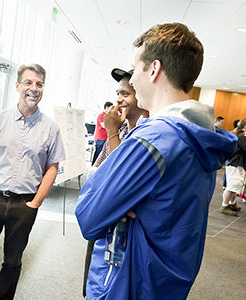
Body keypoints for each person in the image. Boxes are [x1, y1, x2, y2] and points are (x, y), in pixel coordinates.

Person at [75, 23, 237, 300]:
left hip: (126, 284)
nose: (133, 79)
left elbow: (88, 215)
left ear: (154, 69)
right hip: (165, 280)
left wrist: (114, 200)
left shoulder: (154, 139)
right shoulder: (202, 135)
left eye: (136, 68)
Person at [0, 64, 65, 300]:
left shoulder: (51, 129)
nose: (33, 88)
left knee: (13, 263)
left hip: (24, 205)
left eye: (39, 84)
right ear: (17, 86)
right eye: (28, 82)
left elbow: (52, 168)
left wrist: (35, 203)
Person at [82, 68, 148, 297]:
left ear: (142, 94)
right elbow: (97, 173)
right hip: (105, 221)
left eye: (125, 94)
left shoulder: (145, 132)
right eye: (118, 93)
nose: (119, 99)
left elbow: (119, 180)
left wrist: (111, 132)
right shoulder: (122, 128)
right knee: (95, 281)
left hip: (125, 237)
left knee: (115, 287)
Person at [220, 118, 246, 216]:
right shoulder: (241, 137)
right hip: (235, 164)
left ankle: (232, 203)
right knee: (231, 186)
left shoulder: (238, 135)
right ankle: (224, 205)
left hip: (237, 163)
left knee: (236, 186)